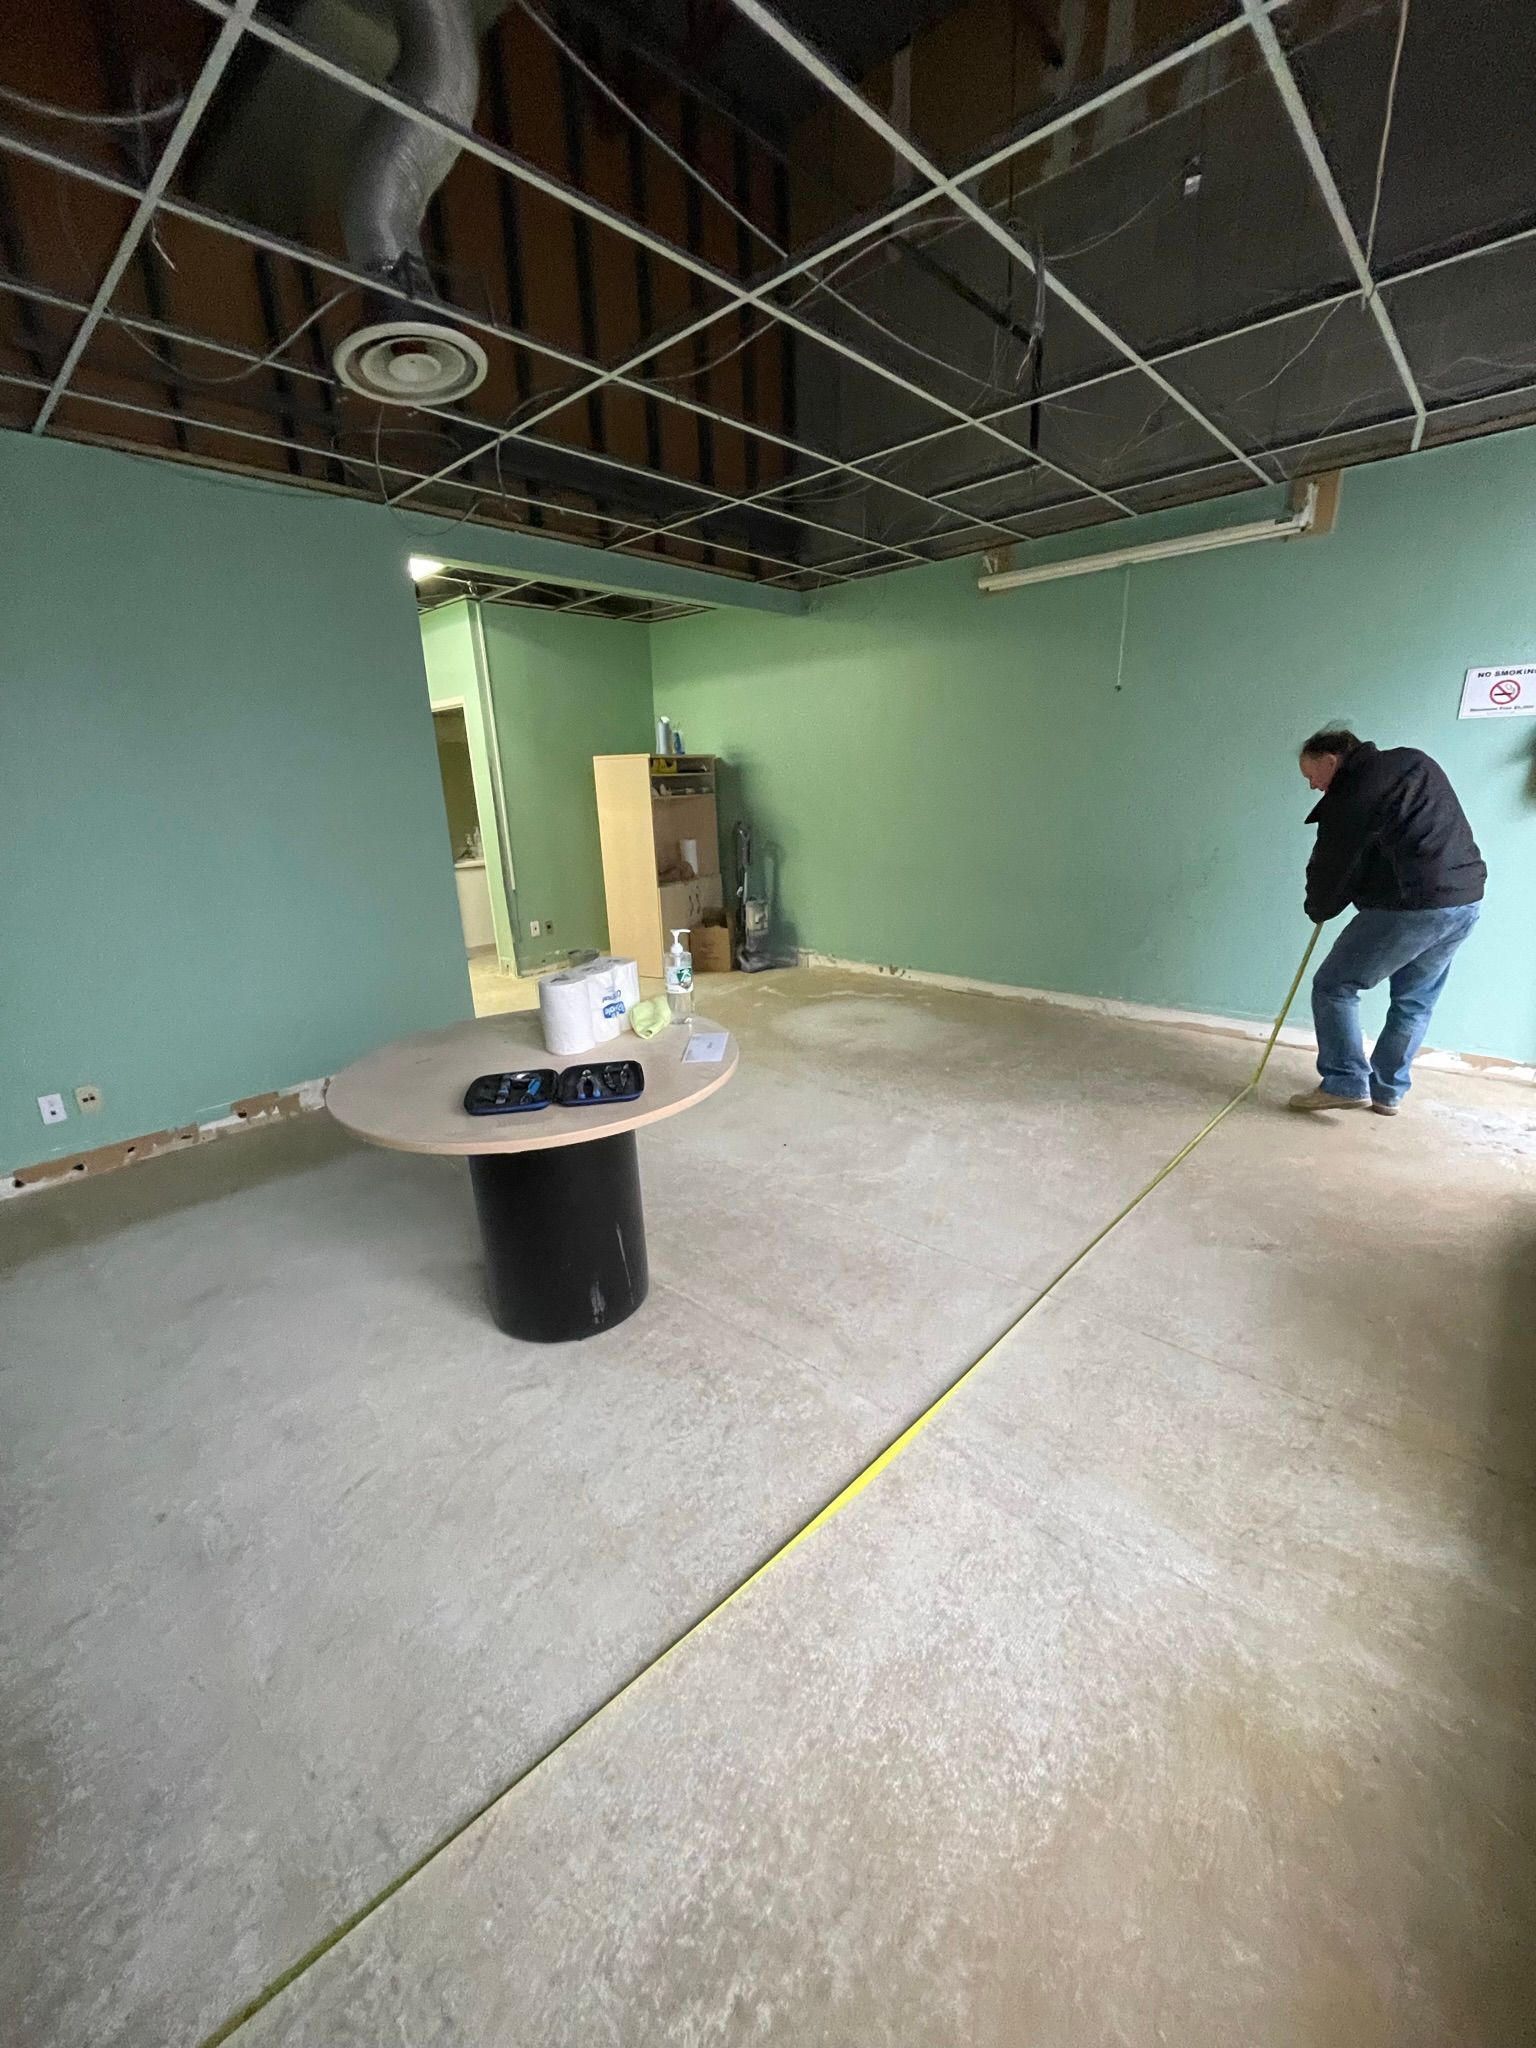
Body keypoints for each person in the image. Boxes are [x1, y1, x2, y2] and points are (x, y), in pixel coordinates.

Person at [1289, 728, 1485, 1117]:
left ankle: (1345, 1082)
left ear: (1331, 761)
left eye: (1312, 775)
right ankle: (1387, 1090)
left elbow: (1333, 866)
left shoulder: (1351, 794)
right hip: (1464, 899)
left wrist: (1320, 908)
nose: (1313, 786)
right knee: (1414, 1001)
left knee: (1334, 986)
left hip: (1413, 905)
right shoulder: (1414, 761)